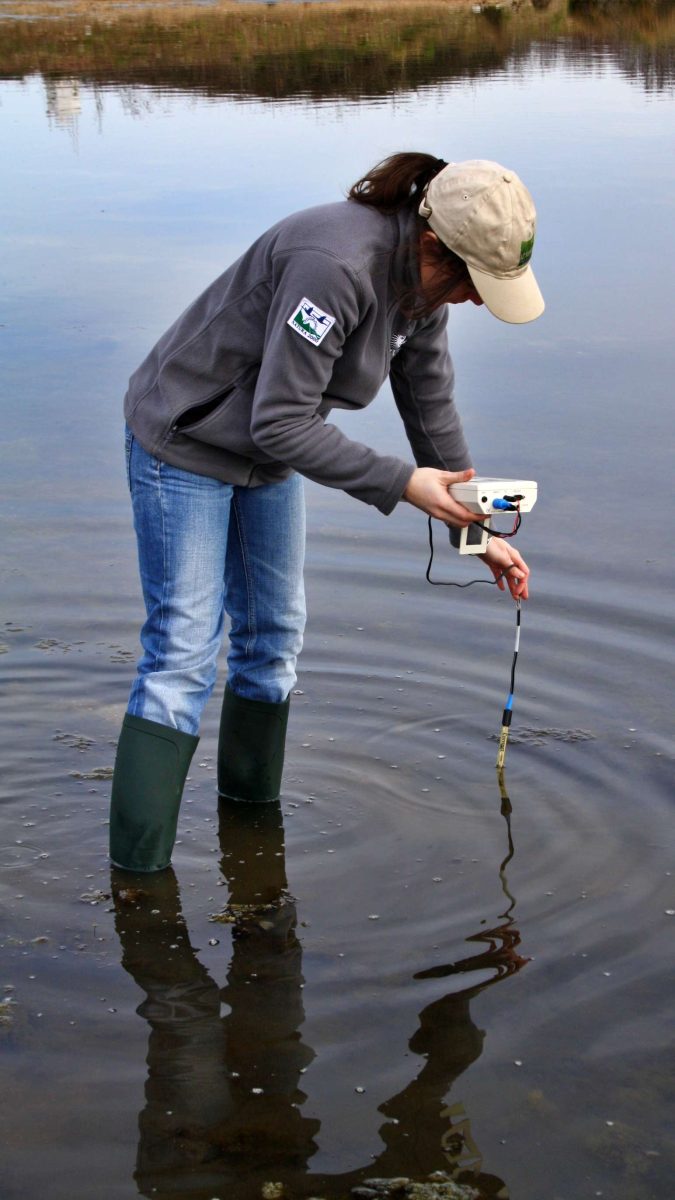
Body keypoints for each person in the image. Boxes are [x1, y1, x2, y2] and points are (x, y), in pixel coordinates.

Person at [110, 153, 545, 873]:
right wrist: (404, 485)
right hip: (185, 444)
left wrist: (474, 530)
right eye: (472, 282)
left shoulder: (423, 290)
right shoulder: (334, 265)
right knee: (183, 652)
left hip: (265, 457)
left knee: (273, 640)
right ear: (433, 242)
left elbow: (430, 407)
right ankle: (137, 880)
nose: (473, 300)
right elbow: (280, 420)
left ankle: (251, 840)